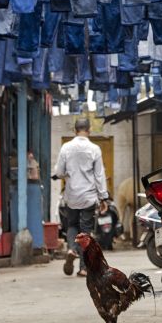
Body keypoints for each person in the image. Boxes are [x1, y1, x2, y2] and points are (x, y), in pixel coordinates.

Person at [54, 116, 110, 277]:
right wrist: (103, 197)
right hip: (88, 197)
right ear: (89, 130)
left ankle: (72, 248)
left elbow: (59, 172)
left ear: (74, 130)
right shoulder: (94, 149)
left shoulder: (66, 147)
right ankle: (84, 268)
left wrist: (67, 174)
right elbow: (99, 175)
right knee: (86, 231)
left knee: (72, 225)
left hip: (71, 196)